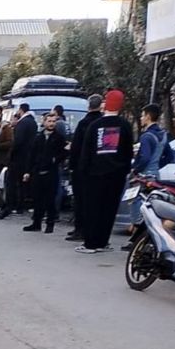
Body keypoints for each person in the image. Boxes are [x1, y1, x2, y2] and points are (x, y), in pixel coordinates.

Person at [76, 89, 134, 254]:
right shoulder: (125, 126)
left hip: (94, 175)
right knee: (109, 209)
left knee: (92, 208)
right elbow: (128, 152)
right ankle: (103, 241)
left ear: (105, 104)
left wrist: (83, 171)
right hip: (116, 176)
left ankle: (90, 243)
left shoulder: (95, 126)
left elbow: (86, 152)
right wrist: (124, 170)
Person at [123, 103, 174, 250]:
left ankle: (135, 241)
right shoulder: (163, 135)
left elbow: (144, 158)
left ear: (148, 116)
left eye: (142, 115)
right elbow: (169, 157)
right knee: (150, 208)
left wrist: (135, 170)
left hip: (143, 177)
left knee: (136, 206)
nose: (141, 117)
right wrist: (156, 166)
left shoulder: (147, 136)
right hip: (155, 177)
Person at [66, 95, 104, 242]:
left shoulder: (84, 123)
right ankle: (92, 229)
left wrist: (72, 166)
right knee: (95, 201)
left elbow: (76, 147)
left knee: (80, 200)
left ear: (88, 106)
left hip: (82, 168)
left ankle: (80, 229)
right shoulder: (102, 123)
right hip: (99, 168)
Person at [22, 114, 67, 234]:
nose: (52, 123)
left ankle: (50, 224)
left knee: (50, 199)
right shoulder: (38, 137)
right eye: (49, 121)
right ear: (44, 122)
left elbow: (63, 153)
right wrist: (27, 171)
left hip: (51, 172)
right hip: (37, 172)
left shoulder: (59, 138)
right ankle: (36, 223)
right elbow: (31, 155)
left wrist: (55, 160)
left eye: (54, 121)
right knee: (37, 199)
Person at [0, 103, 37, 219]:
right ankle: (22, 206)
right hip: (28, 157)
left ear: (21, 110)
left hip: (18, 158)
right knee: (23, 183)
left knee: (12, 182)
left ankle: (11, 206)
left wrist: (9, 153)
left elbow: (17, 141)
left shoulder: (22, 123)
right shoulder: (33, 123)